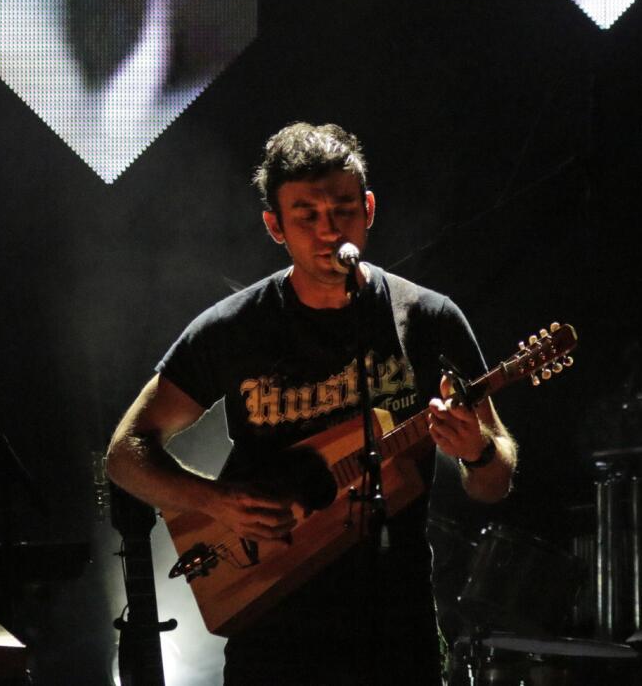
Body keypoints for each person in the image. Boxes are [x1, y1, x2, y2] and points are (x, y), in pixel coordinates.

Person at [106, 122, 517, 685]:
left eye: (344, 209)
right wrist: (218, 502)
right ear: (275, 225)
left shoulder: (428, 319)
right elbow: (126, 453)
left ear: (369, 208)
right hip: (273, 622)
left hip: (396, 627)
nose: (329, 231)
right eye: (307, 216)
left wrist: (477, 452)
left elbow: (495, 481)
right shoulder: (236, 329)